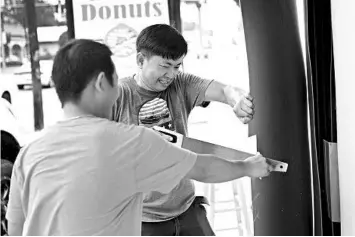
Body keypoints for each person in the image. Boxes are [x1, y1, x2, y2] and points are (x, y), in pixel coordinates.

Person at [6, 39, 271, 236]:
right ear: (102, 83)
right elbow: (202, 167)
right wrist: (247, 166)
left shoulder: (28, 153)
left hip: (185, 209)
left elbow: (15, 228)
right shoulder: (131, 141)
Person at [111, 24, 257, 236]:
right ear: (140, 60)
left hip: (187, 209)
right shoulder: (117, 95)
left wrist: (238, 100)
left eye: (177, 66)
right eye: (165, 66)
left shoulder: (181, 84)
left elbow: (226, 91)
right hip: (140, 220)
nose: (171, 74)